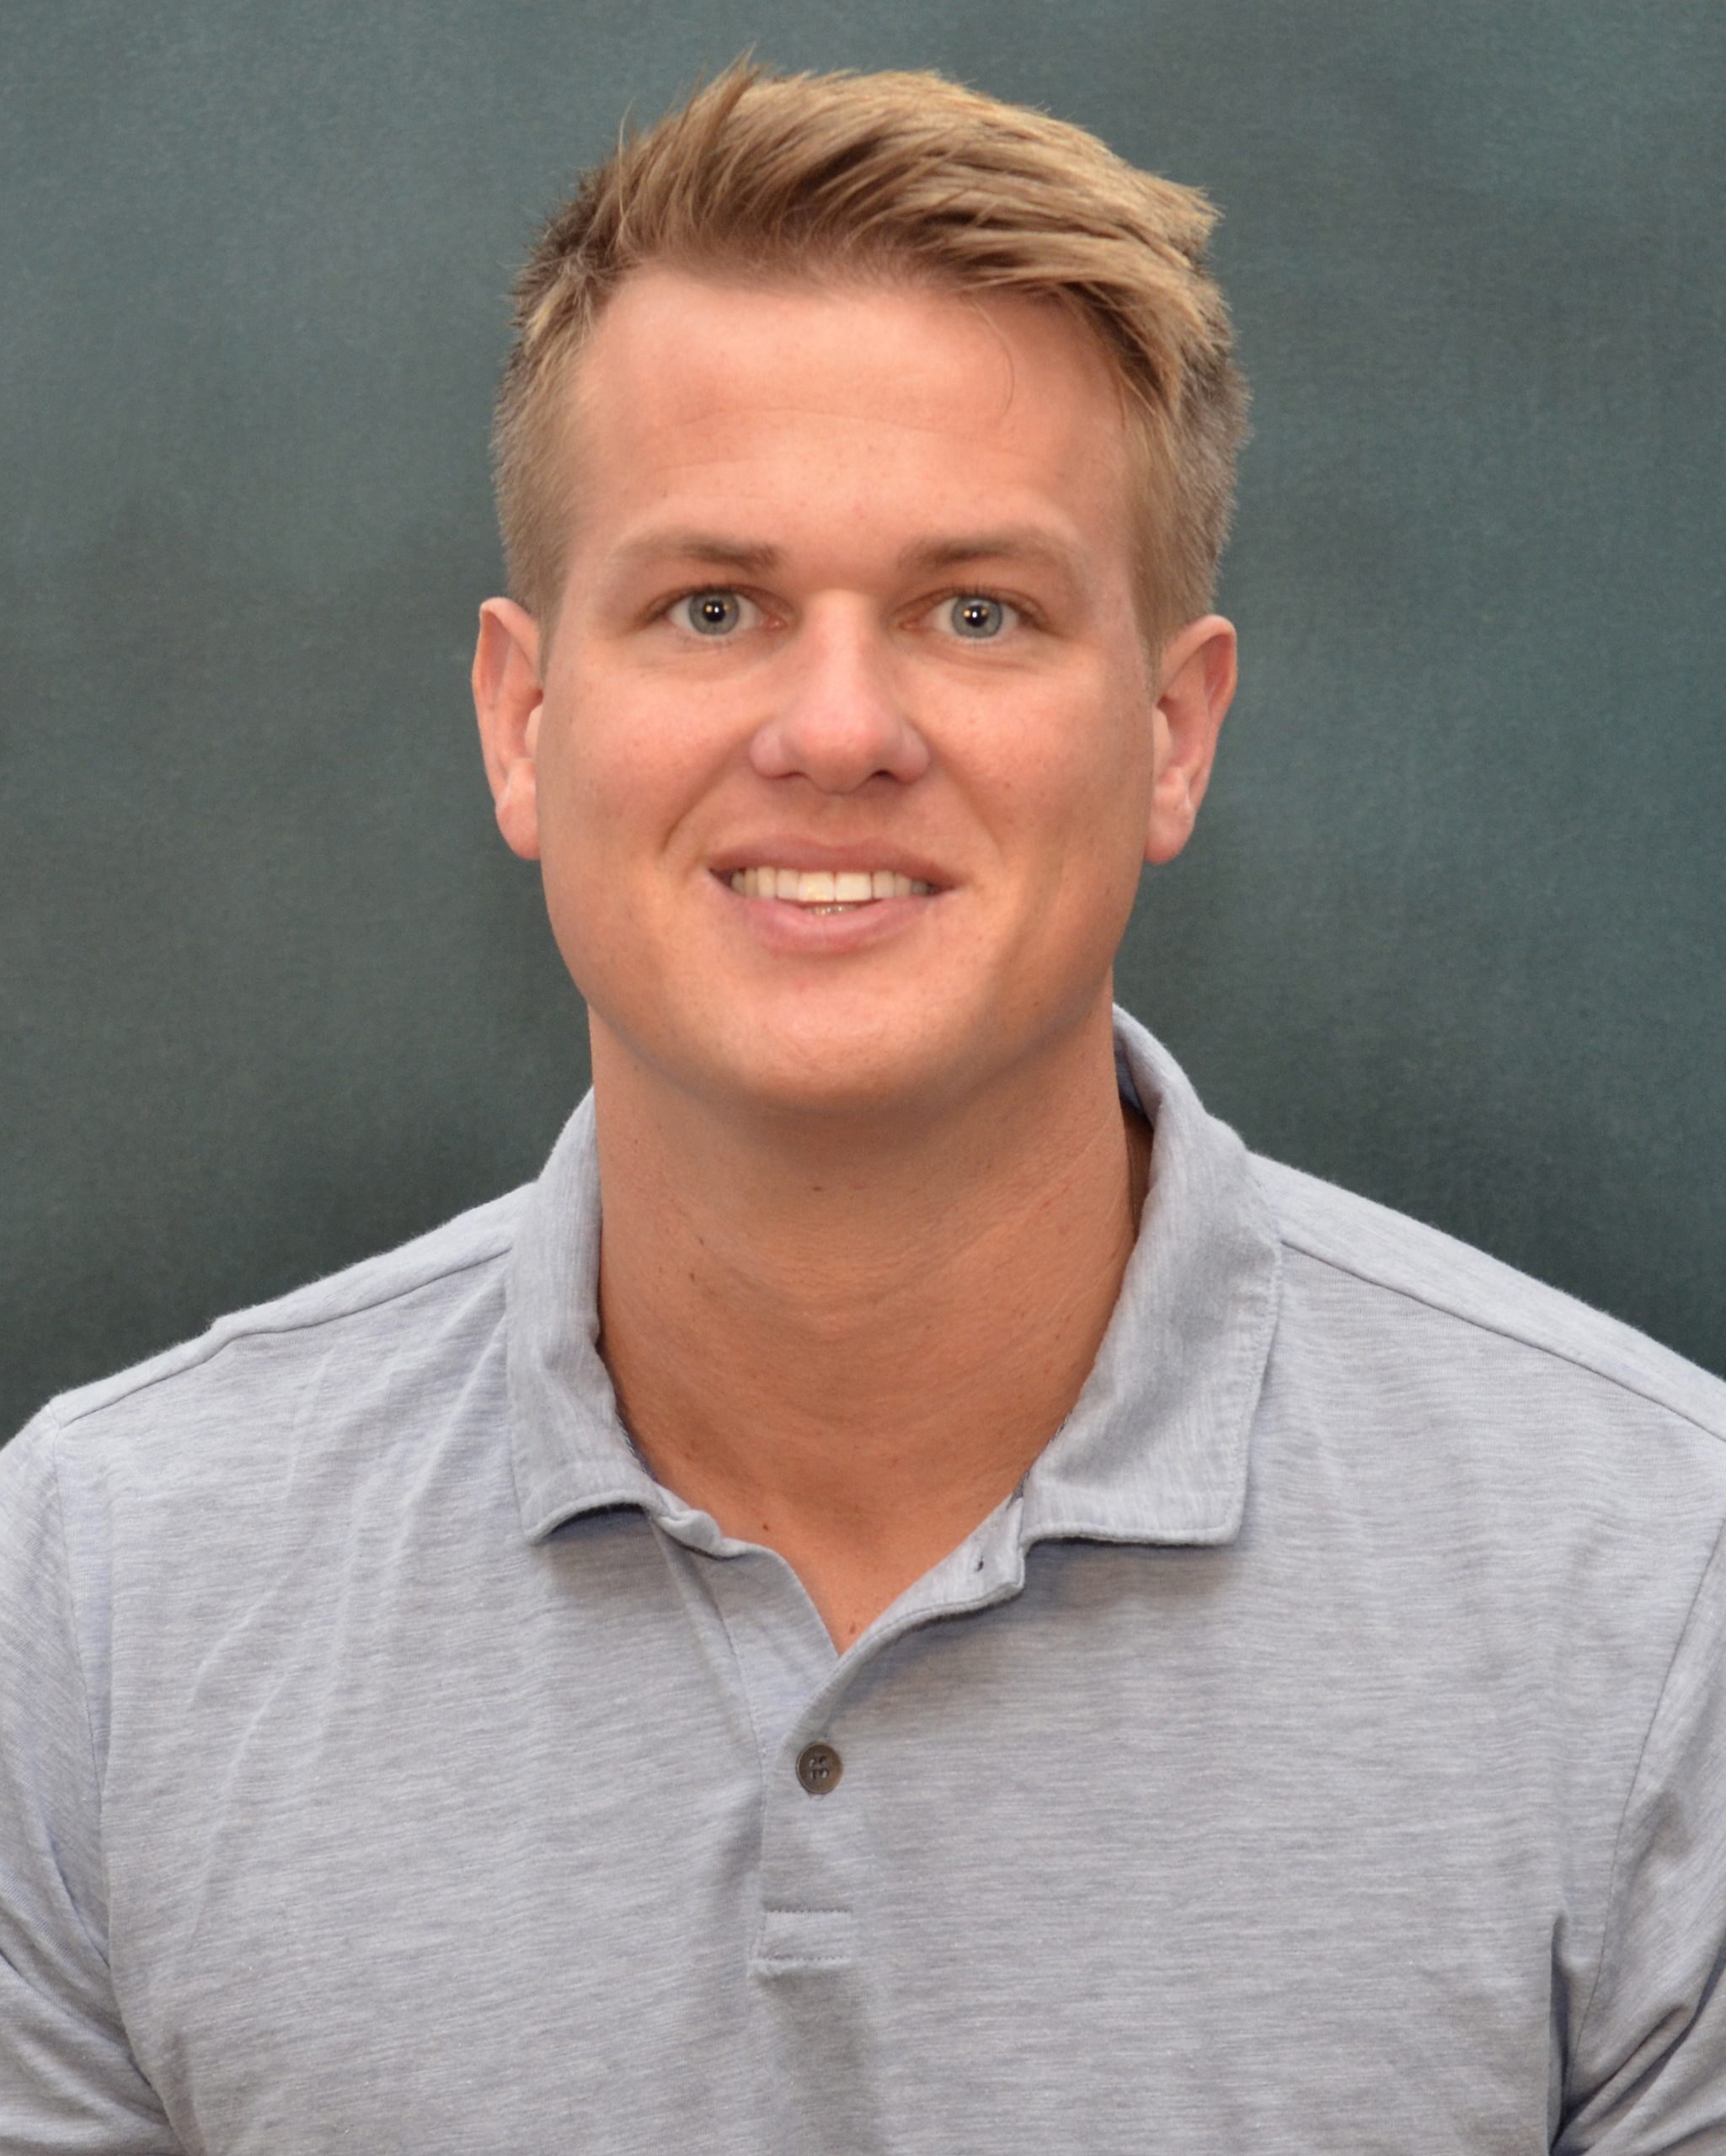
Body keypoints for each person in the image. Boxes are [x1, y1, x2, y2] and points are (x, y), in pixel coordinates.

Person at [3, 58, 1723, 2154]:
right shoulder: (97, 1591)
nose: (835, 729)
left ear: (1171, 736)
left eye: (973, 611)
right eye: (711, 607)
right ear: (523, 721)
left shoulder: (1658, 1593)